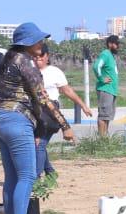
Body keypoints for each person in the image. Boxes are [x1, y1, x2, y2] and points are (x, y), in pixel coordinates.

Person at [0, 22, 74, 214]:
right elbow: (42, 98)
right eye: (38, 40)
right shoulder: (26, 62)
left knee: (12, 178)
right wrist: (64, 125)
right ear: (27, 42)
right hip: (17, 120)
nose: (41, 43)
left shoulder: (8, 59)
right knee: (27, 176)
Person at [37, 46, 93, 177]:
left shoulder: (54, 72)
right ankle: (50, 172)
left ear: (47, 56)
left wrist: (83, 105)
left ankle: (36, 177)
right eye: (35, 55)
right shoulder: (28, 71)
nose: (38, 58)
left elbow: (67, 90)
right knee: (38, 144)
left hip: (50, 112)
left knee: (39, 143)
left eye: (41, 55)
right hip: (34, 110)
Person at [92, 34, 120, 137]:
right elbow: (96, 66)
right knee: (103, 115)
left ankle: (105, 137)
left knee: (107, 116)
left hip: (111, 90)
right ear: (110, 44)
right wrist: (101, 78)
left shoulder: (111, 56)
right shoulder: (105, 53)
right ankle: (101, 139)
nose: (118, 46)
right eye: (116, 44)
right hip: (105, 89)